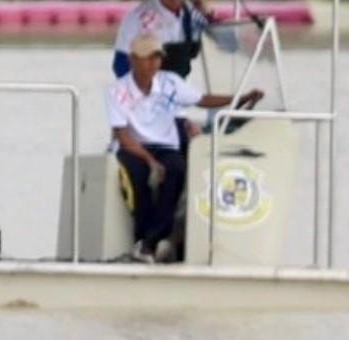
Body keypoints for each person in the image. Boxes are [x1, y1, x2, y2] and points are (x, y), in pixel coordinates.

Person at [107, 34, 262, 263]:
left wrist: (239, 99)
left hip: (165, 147)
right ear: (133, 60)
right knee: (138, 178)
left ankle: (150, 242)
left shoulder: (170, 82)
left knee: (177, 170)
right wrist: (150, 161)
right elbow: (122, 135)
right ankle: (141, 239)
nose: (152, 64)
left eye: (156, 58)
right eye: (147, 58)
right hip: (133, 146)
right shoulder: (118, 91)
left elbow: (202, 99)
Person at [112, 0, 213, 79]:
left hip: (177, 92)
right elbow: (121, 64)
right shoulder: (137, 18)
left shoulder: (193, 15)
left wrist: (206, 11)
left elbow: (219, 41)